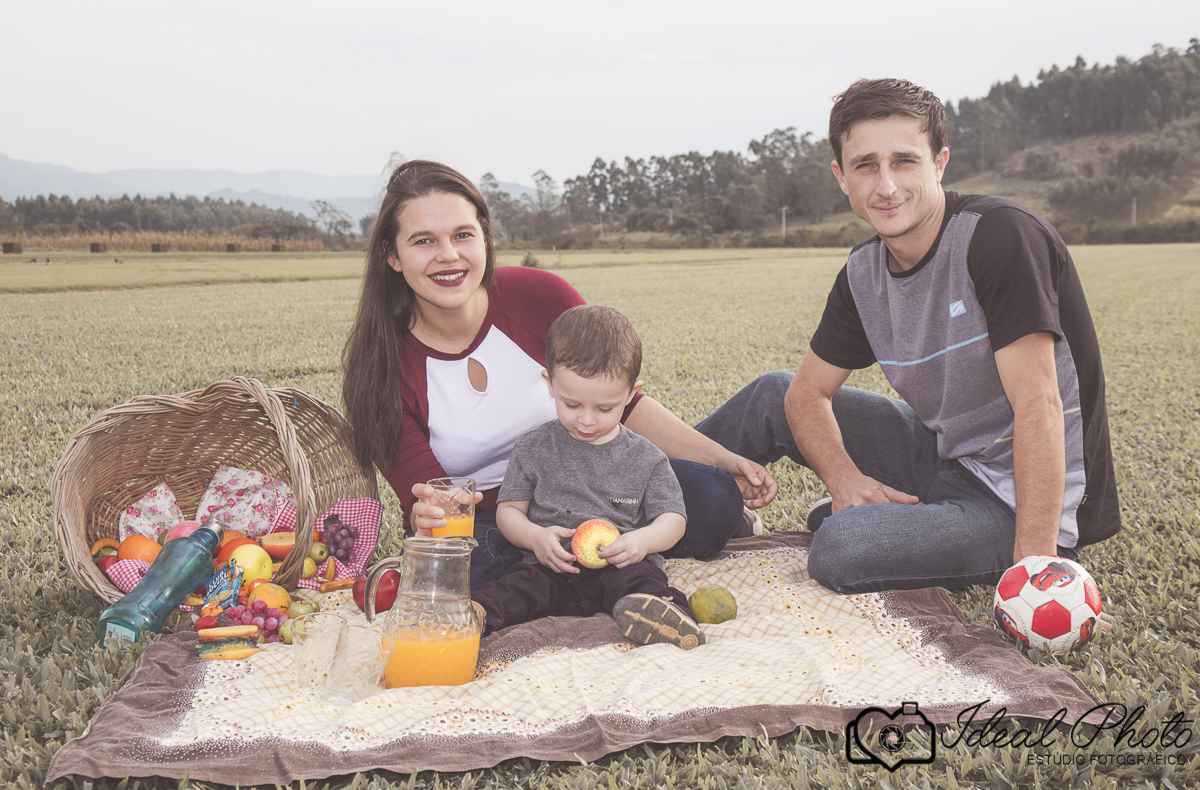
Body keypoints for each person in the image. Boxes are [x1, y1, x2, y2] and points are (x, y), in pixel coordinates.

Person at [695, 78, 1120, 594]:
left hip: (1021, 501)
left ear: (939, 163)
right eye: (866, 165)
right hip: (946, 459)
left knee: (843, 547)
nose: (886, 186)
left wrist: (1035, 567)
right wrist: (845, 480)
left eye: (904, 161)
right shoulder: (863, 273)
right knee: (771, 394)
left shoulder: (999, 235)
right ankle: (638, 500)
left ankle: (893, 527)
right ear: (841, 176)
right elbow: (806, 393)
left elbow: (1039, 404)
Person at [342, 160, 777, 591]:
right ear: (392, 255)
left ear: (485, 239)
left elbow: (620, 404)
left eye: (462, 235)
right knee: (463, 571)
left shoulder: (540, 297)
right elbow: (427, 500)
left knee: (714, 500)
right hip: (495, 520)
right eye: (423, 241)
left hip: (603, 480)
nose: (448, 255)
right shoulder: (380, 371)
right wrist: (431, 514)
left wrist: (721, 459)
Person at [471, 305, 704, 649]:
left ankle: (671, 619)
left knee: (644, 582)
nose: (587, 420)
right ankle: (473, 617)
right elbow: (509, 511)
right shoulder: (534, 447)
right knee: (514, 587)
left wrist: (643, 541)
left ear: (631, 394)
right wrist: (535, 537)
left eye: (605, 408)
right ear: (550, 384)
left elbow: (673, 519)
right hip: (551, 568)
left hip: (619, 567)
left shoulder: (646, 458)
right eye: (572, 404)